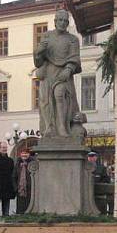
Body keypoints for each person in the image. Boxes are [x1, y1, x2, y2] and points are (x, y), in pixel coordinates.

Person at [34, 9, 82, 138]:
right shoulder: (47, 36)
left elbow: (75, 58)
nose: (62, 23)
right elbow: (38, 62)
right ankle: (49, 127)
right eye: (60, 20)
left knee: (60, 95)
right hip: (48, 72)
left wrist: (68, 69)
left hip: (63, 72)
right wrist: (39, 51)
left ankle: (62, 127)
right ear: (55, 22)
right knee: (46, 101)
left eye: (65, 21)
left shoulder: (73, 39)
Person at [0, 141, 15, 217]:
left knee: (6, 211)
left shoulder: (10, 161)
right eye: (3, 147)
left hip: (7, 187)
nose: (5, 149)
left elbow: (12, 174)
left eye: (5, 147)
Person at [13, 147, 35, 214]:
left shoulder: (33, 163)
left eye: (26, 153)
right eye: (23, 153)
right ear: (20, 154)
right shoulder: (17, 164)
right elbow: (14, 177)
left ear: (29, 154)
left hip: (31, 190)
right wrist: (16, 188)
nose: (24, 155)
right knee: (20, 209)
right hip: (20, 191)